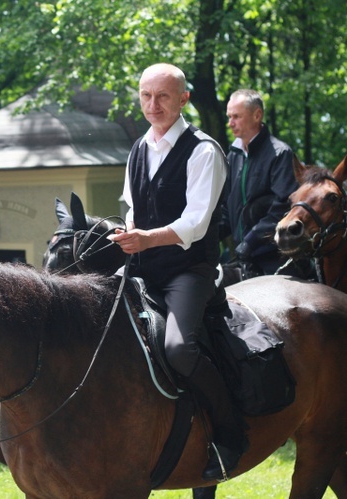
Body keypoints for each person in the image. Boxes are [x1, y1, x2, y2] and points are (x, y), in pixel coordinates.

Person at [110, 64, 247, 481]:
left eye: (163, 96)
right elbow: (133, 208)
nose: (153, 105)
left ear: (183, 98)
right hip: (142, 265)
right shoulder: (138, 148)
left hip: (190, 270)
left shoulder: (205, 150)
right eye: (146, 96)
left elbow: (196, 224)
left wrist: (146, 239)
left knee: (178, 350)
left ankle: (230, 433)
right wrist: (126, 234)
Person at [221, 89, 299, 277]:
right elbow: (227, 209)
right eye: (229, 116)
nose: (230, 123)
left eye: (236, 116)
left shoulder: (280, 154)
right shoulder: (233, 155)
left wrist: (250, 241)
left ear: (257, 115)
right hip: (244, 259)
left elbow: (284, 208)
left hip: (275, 258)